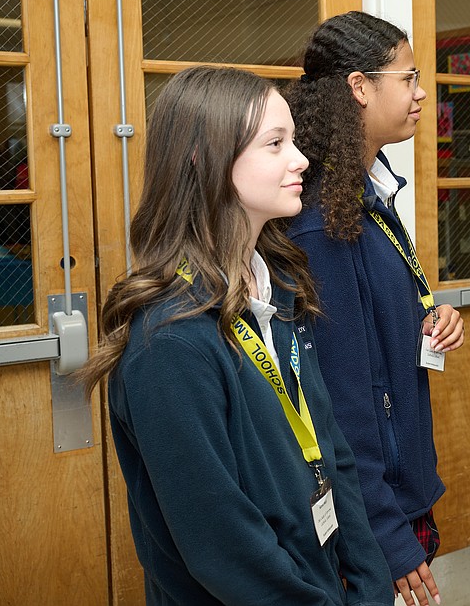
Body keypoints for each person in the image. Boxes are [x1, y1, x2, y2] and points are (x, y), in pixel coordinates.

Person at [76, 66, 391, 605]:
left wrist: (370, 584)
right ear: (206, 160)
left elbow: (332, 455)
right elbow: (222, 548)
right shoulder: (169, 343)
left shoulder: (281, 286)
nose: (301, 160)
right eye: (275, 144)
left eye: (293, 140)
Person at [285, 11, 465, 606]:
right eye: (408, 77)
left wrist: (427, 315)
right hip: (368, 509)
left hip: (396, 484)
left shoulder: (363, 187)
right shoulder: (321, 220)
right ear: (359, 87)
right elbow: (339, 400)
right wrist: (386, 532)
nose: (420, 94)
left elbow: (376, 320)